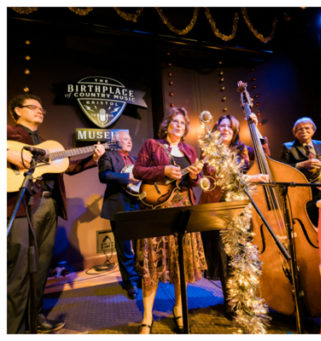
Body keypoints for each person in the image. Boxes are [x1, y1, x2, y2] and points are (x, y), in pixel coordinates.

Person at [7, 93, 105, 333]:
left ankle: (35, 317)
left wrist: (93, 157)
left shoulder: (47, 143)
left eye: (42, 109)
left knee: (41, 267)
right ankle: (13, 328)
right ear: (17, 110)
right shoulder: (9, 134)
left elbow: (68, 167)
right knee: (18, 269)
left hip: (49, 206)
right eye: (33, 107)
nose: (40, 111)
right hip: (22, 208)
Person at [132, 107, 206, 334]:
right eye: (175, 121)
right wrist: (163, 170)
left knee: (180, 260)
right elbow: (138, 171)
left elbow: (195, 182)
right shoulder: (152, 145)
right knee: (151, 263)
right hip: (157, 207)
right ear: (167, 124)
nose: (178, 125)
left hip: (182, 208)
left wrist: (194, 176)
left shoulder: (189, 150)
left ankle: (178, 309)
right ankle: (147, 317)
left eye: (182, 123)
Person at [197, 114, 269, 308]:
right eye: (222, 126)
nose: (226, 129)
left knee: (243, 252)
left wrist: (255, 127)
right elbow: (219, 177)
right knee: (223, 253)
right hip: (219, 207)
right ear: (217, 129)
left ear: (235, 131)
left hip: (241, 207)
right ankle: (230, 300)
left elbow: (265, 157)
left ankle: (246, 296)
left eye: (230, 126)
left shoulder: (244, 150)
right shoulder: (210, 150)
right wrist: (250, 179)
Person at [97, 129, 142, 300]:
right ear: (116, 142)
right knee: (124, 248)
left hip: (137, 205)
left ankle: (140, 277)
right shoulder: (109, 156)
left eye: (130, 139)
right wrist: (127, 177)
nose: (129, 141)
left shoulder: (135, 159)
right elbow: (104, 175)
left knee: (140, 246)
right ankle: (130, 282)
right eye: (124, 139)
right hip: (118, 206)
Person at [280, 116, 321, 224]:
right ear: (295, 133)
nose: (304, 131)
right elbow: (283, 169)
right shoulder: (288, 147)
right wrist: (302, 164)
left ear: (313, 130)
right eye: (300, 129)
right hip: (305, 192)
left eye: (307, 128)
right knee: (311, 223)